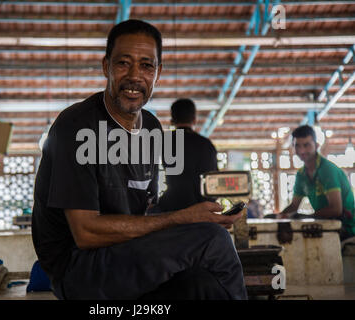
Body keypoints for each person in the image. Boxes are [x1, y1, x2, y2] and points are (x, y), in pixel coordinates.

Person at [31, 19, 247, 300]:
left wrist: (193, 220)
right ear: (106, 67)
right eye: (124, 63)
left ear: (158, 74)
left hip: (122, 256)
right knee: (214, 240)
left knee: (200, 284)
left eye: (146, 66)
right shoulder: (76, 126)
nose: (135, 76)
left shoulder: (151, 129)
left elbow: (143, 214)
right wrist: (181, 219)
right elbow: (86, 233)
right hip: (77, 270)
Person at [277, 125, 355, 241]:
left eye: (306, 145)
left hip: (346, 227)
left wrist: (307, 216)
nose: (302, 150)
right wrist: (278, 217)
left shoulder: (327, 169)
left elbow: (336, 209)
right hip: (326, 225)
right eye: (297, 146)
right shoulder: (301, 175)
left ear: (316, 145)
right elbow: (294, 206)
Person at [154, 98, 218, 212]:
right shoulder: (206, 145)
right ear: (194, 119)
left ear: (172, 120)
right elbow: (214, 180)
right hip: (202, 208)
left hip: (170, 206)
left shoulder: (164, 140)